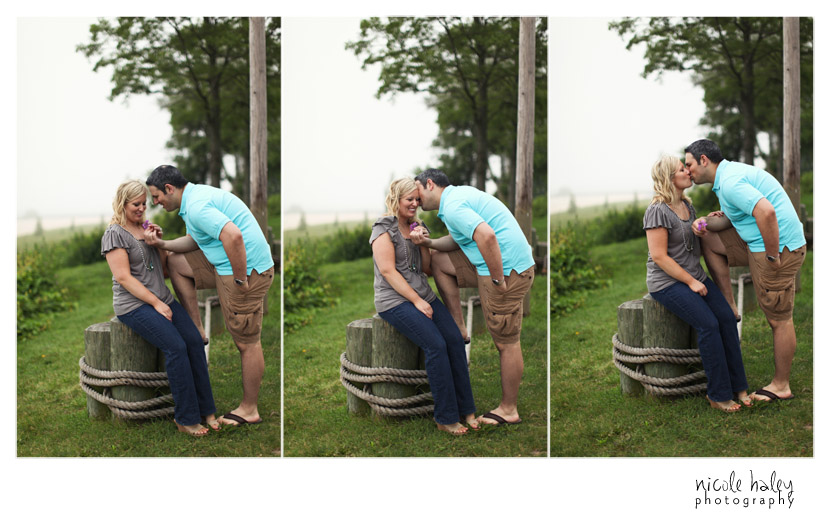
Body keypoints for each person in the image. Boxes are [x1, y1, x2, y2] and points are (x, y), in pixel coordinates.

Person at [143, 165, 275, 426]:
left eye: (156, 196)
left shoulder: (196, 207)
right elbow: (195, 241)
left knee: (247, 342)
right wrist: (162, 245)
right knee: (176, 262)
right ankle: (197, 326)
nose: (155, 202)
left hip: (247, 270)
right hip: (225, 264)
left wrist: (240, 279)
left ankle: (249, 409)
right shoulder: (194, 199)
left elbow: (234, 237)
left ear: (169, 189)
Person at [685, 139, 806, 403]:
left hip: (778, 247)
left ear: (704, 160)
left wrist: (772, 256)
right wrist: (705, 222)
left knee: (779, 318)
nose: (687, 171)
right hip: (756, 242)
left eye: (689, 164)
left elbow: (767, 212)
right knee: (708, 240)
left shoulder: (730, 182)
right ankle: (729, 303)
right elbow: (732, 219)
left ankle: (781, 385)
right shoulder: (726, 178)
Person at [412, 169, 534, 427]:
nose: (415, 197)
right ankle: (459, 324)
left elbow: (487, 236)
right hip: (496, 265)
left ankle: (508, 409)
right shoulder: (456, 198)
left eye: (417, 190)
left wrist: (498, 279)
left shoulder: (453, 206)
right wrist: (428, 244)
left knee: (506, 342)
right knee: (439, 261)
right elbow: (458, 241)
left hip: (506, 270)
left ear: (430, 184)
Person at [102, 180, 218, 436]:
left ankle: (207, 410)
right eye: (136, 204)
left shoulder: (146, 227)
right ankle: (186, 418)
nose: (142, 208)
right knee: (175, 347)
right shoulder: (114, 233)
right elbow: (123, 277)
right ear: (123, 203)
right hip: (134, 305)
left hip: (162, 299)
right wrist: (155, 303)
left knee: (194, 341)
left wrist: (159, 243)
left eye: (144, 203)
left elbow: (163, 270)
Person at [643, 156, 750, 413]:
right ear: (669, 178)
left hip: (694, 276)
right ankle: (718, 395)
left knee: (726, 318)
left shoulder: (687, 206)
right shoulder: (657, 210)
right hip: (667, 283)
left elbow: (693, 238)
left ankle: (740, 387)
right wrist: (691, 281)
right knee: (708, 325)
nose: (688, 172)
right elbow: (659, 257)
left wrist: (706, 222)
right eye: (682, 169)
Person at [371, 179, 477, 436]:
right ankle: (445, 417)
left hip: (423, 295)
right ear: (396, 199)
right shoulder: (383, 229)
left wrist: (423, 244)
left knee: (454, 339)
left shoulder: (418, 226)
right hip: (394, 300)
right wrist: (416, 301)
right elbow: (388, 271)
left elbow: (427, 269)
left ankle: (467, 409)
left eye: (417, 199)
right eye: (409, 200)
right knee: (436, 345)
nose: (415, 204)